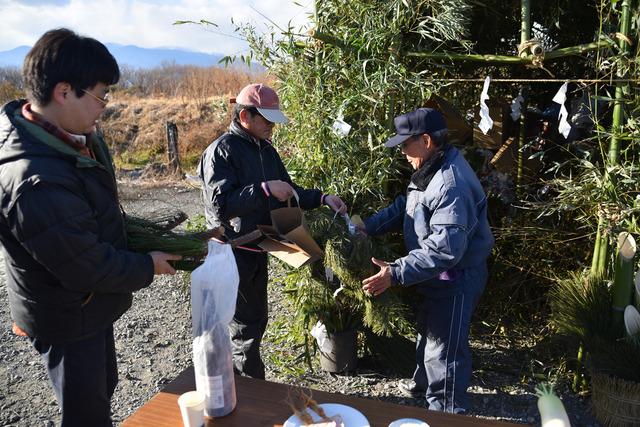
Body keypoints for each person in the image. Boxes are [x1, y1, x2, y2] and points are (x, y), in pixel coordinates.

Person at [0, 28, 181, 426]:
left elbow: (94, 217)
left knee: (103, 386)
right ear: (64, 92)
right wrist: (147, 264)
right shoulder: (35, 180)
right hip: (65, 310)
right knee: (86, 413)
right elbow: (85, 265)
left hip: (88, 305)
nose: (104, 107)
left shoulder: (67, 137)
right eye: (100, 96)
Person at [198, 83, 347, 379]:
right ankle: (251, 392)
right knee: (244, 329)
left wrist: (321, 198)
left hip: (260, 246)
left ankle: (245, 387)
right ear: (245, 117)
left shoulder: (266, 150)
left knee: (256, 321)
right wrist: (264, 189)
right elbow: (221, 206)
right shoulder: (221, 152)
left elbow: (288, 191)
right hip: (232, 250)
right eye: (267, 120)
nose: (272, 128)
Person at [360, 108, 493, 414]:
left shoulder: (451, 185)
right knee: (428, 331)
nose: (403, 152)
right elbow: (405, 206)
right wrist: (368, 227)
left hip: (455, 277)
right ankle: (424, 387)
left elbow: (446, 250)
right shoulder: (430, 168)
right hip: (433, 275)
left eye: (406, 145)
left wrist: (395, 272)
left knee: (444, 351)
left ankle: (446, 410)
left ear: (426, 140)